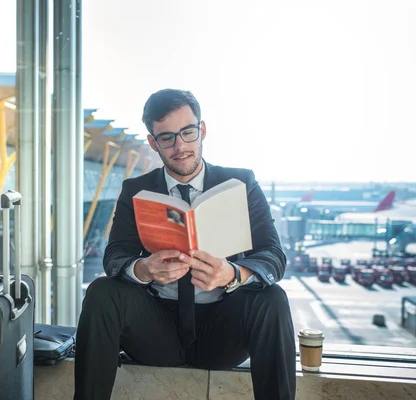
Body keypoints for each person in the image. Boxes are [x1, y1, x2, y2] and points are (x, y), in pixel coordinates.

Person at [74, 89, 296, 400]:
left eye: (188, 133)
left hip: (223, 329)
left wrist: (232, 274)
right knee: (101, 292)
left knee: (273, 298)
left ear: (201, 130)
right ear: (153, 143)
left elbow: (273, 257)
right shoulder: (135, 190)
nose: (180, 146)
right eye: (166, 137)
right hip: (155, 329)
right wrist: (144, 269)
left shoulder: (241, 184)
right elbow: (114, 257)